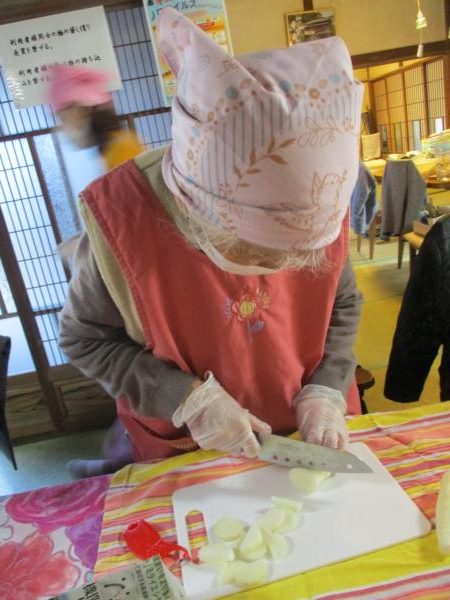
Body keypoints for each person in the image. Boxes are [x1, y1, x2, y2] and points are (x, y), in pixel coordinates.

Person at [58, 7, 364, 470]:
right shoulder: (122, 219)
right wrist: (185, 399)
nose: (279, 269)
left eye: (299, 256)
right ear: (194, 212)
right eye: (255, 251)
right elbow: (86, 339)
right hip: (188, 441)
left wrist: (328, 385)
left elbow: (343, 303)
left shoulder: (325, 194)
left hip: (312, 430)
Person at [48, 64, 141, 171]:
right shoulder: (106, 147)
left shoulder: (121, 147)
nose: (65, 125)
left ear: (83, 110)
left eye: (64, 117)